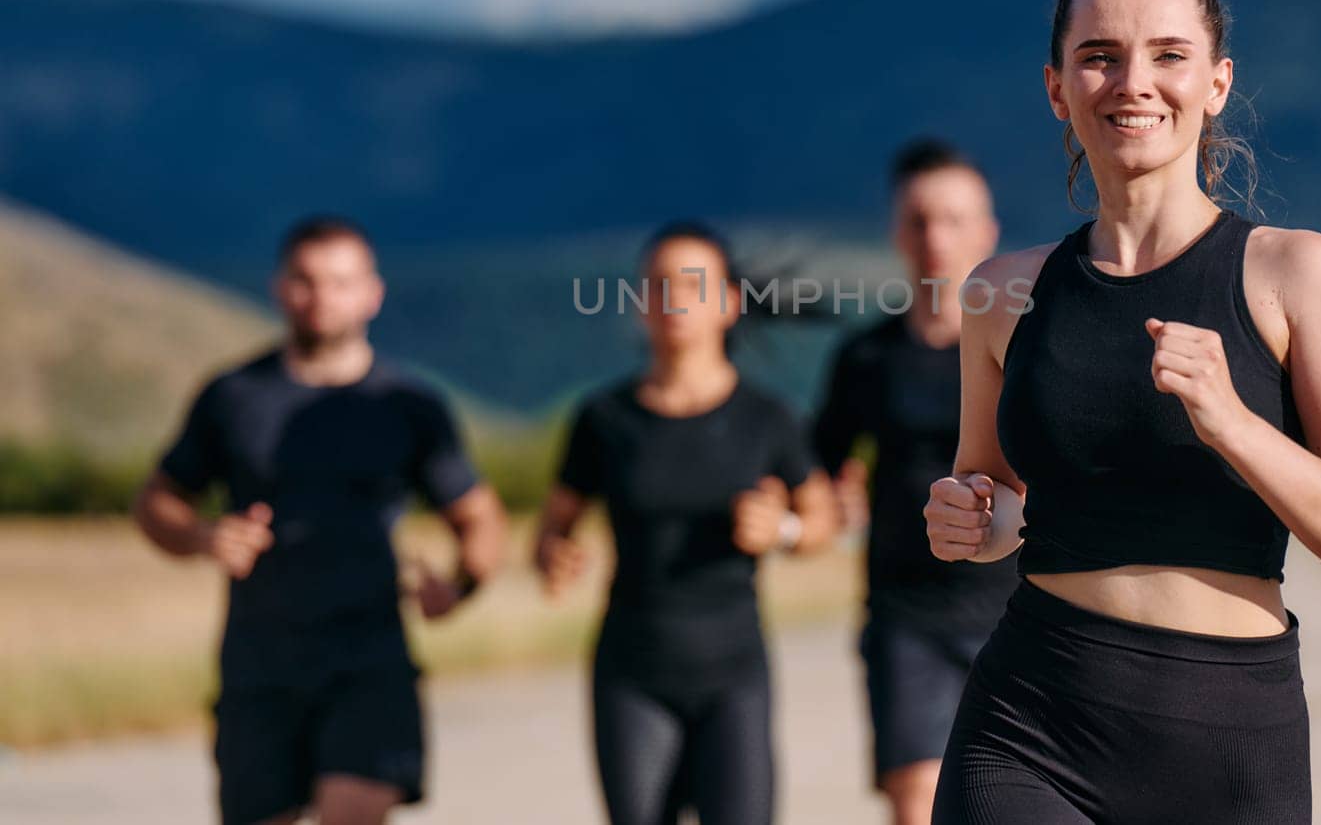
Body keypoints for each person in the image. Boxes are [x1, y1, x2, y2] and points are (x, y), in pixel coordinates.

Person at [922, 0, 1321, 824]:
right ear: (1057, 89)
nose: (1133, 83)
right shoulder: (1000, 293)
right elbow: (995, 495)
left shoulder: (1297, 274)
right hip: (1029, 720)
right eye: (1099, 56)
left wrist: (1231, 420)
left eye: (1169, 54)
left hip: (1229, 738)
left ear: (1216, 83)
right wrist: (970, 516)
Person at [133, 215, 509, 825]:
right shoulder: (233, 396)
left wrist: (462, 583)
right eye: (306, 281)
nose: (321, 299)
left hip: (370, 660)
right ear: (281, 287)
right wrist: (203, 536)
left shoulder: (406, 406)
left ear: (372, 294)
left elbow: (479, 516)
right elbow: (155, 503)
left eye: (340, 282)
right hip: (260, 663)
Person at [534, 220, 839, 825]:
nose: (674, 299)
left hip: (733, 674)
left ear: (728, 303)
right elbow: (553, 526)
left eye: (692, 285)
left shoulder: (767, 418)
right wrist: (554, 555)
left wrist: (781, 531)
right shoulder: (604, 420)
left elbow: (821, 517)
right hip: (632, 671)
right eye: (657, 286)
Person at [812, 139, 1018, 824]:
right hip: (908, 616)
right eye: (920, 219)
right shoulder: (866, 358)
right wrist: (821, 505)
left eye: (954, 219)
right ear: (897, 231)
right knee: (917, 807)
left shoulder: (1029, 348)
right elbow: (817, 465)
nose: (936, 238)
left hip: (1022, 612)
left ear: (988, 231)